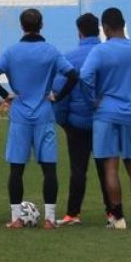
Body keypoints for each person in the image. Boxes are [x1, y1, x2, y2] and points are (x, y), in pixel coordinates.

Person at [0, 8, 78, 229]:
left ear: (22, 26)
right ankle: (49, 219)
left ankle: (16, 218)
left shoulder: (12, 52)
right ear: (42, 25)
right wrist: (56, 96)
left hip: (20, 115)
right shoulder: (51, 51)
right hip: (44, 114)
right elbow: (73, 75)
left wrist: (6, 95)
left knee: (17, 169)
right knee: (49, 168)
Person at [80, 7, 131, 230]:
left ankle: (118, 218)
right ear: (124, 23)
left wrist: (92, 98)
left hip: (106, 112)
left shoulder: (101, 51)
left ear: (106, 28)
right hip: (130, 113)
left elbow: (84, 76)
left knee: (110, 167)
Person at [51, 13, 109, 227]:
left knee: (78, 169)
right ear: (99, 30)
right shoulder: (107, 54)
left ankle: (73, 213)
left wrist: (63, 121)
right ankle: (112, 212)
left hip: (77, 123)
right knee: (106, 167)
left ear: (79, 32)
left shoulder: (70, 57)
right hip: (104, 120)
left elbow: (60, 92)